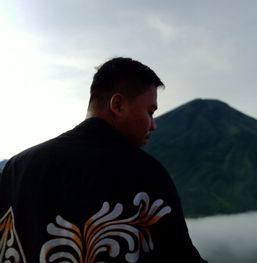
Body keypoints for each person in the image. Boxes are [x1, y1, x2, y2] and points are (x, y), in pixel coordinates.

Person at [0, 57, 208, 263]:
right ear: (117, 105)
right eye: (150, 112)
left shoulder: (17, 167)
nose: (153, 125)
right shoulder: (145, 174)